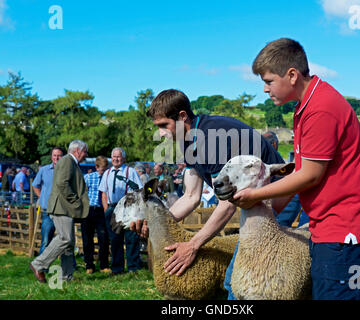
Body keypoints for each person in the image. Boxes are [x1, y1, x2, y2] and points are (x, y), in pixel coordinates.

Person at [232, 38, 360, 300]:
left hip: (348, 231)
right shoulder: (306, 106)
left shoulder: (320, 109)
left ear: (292, 75)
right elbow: (301, 171)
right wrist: (271, 208)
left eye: (269, 81)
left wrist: (255, 196)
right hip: (330, 227)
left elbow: (310, 175)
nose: (266, 89)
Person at [131, 88, 284, 299]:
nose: (161, 133)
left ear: (182, 116)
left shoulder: (211, 140)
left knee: (242, 279)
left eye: (164, 125)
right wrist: (157, 224)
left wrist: (193, 245)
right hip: (256, 202)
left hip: (280, 195)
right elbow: (191, 196)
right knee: (237, 279)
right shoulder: (188, 142)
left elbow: (227, 204)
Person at [29, 140, 89, 283]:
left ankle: (66, 277)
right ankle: (39, 264)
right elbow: (62, 183)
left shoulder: (71, 162)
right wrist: (75, 201)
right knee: (65, 238)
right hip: (62, 207)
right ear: (78, 151)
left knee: (69, 244)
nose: (86, 154)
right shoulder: (68, 161)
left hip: (64, 207)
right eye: (85, 151)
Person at [99, 147, 143, 274]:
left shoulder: (131, 172)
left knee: (131, 238)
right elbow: (104, 193)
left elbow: (139, 191)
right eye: (114, 157)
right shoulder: (107, 173)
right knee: (115, 240)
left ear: (123, 158)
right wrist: (107, 210)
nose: (116, 159)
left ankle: (132, 268)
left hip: (128, 208)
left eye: (118, 157)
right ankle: (117, 268)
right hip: (113, 208)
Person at [262, 131, 308, 227]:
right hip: (283, 197)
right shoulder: (277, 159)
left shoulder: (260, 158)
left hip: (274, 200)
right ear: (274, 144)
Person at [32, 147, 65, 255]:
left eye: (59, 155)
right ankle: (41, 267)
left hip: (63, 211)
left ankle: (70, 267)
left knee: (66, 240)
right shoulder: (44, 170)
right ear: (51, 157)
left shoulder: (67, 170)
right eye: (55, 155)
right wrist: (42, 197)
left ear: (63, 157)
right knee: (46, 240)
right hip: (48, 210)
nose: (57, 157)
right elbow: (35, 185)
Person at [82, 156, 110, 274]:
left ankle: (104, 265)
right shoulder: (88, 177)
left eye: (105, 169)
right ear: (96, 167)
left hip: (101, 210)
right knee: (87, 239)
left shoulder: (108, 178)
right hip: (89, 209)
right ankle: (89, 265)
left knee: (103, 238)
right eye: (101, 169)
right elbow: (81, 191)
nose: (103, 172)